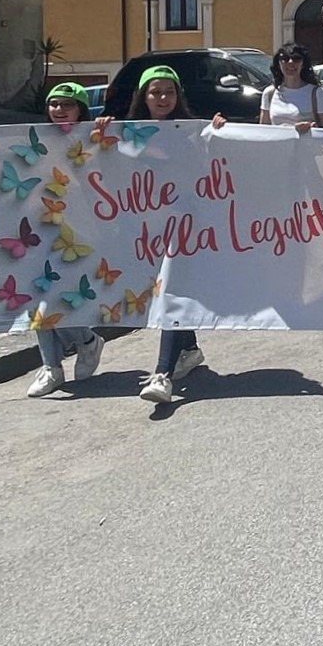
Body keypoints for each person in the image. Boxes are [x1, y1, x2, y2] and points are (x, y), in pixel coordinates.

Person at [105, 67, 206, 405]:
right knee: (162, 290)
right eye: (155, 92)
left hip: (182, 227)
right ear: (143, 97)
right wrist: (97, 135)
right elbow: (107, 166)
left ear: (178, 97)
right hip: (144, 229)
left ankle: (162, 374)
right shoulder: (126, 133)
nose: (163, 98)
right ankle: (189, 349)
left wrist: (217, 132)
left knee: (170, 292)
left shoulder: (192, 132)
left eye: (169, 92)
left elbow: (210, 165)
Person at [24, 83, 109, 398]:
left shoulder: (93, 138)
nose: (59, 110)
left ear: (81, 110)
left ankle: (87, 341)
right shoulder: (36, 141)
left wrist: (105, 131)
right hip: (40, 229)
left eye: (67, 105)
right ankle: (53, 367)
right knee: (37, 298)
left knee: (58, 301)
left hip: (81, 233)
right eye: (54, 104)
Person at [260, 43, 323, 131]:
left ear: (303, 63)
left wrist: (312, 127)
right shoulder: (269, 94)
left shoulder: (317, 94)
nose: (290, 62)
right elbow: (263, 131)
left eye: (296, 59)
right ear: (278, 64)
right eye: (284, 59)